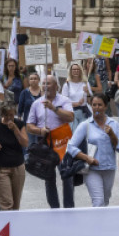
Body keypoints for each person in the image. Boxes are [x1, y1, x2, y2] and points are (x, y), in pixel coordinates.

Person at [26, 75, 77, 209]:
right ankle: (54, 209)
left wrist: (54, 108)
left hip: (62, 142)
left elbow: (71, 117)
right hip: (45, 144)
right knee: (49, 178)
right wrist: (40, 131)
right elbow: (29, 126)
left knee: (67, 176)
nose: (45, 86)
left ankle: (68, 208)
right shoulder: (36, 103)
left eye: (48, 83)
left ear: (56, 86)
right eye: (44, 84)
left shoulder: (64, 100)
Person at [68, 93, 119, 207]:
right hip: (91, 169)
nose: (96, 108)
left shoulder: (114, 124)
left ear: (106, 106)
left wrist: (112, 135)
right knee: (98, 201)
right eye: (94, 105)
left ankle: (102, 224)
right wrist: (87, 158)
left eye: (100, 105)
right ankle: (96, 224)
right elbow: (70, 147)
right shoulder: (85, 125)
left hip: (109, 168)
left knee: (105, 202)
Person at [0, 103, 29, 210]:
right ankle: (6, 225)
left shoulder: (19, 124)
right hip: (1, 168)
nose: (9, 118)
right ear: (1, 114)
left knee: (16, 204)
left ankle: (14, 225)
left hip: (18, 167)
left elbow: (25, 143)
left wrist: (15, 129)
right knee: (6, 203)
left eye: (11, 115)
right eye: (6, 115)